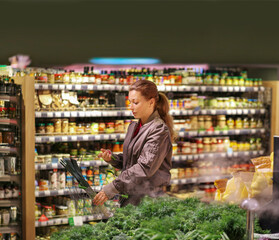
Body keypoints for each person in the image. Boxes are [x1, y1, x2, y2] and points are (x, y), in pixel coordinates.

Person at [93, 80, 175, 207]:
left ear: (151, 102)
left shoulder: (158, 130)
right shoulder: (134, 126)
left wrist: (113, 187)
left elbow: (144, 167)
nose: (131, 107)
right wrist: (113, 159)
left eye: (135, 103)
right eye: (129, 102)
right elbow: (131, 161)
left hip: (148, 201)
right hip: (131, 198)